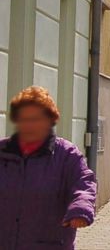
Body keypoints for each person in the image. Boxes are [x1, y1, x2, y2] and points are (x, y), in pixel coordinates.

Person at [0, 86, 96, 249]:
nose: (29, 125)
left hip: (49, 243)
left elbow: (84, 184)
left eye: (36, 119)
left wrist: (80, 208)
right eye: (24, 119)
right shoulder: (2, 151)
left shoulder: (66, 154)